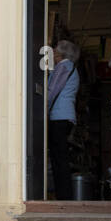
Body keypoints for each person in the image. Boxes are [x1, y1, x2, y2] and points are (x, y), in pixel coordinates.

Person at [47, 39, 80, 201]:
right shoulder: (70, 68)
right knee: (61, 157)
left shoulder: (63, 67)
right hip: (66, 116)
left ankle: (64, 196)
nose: (52, 52)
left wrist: (42, 109)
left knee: (59, 158)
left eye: (54, 50)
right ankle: (63, 194)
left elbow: (52, 90)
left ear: (60, 53)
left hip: (59, 117)